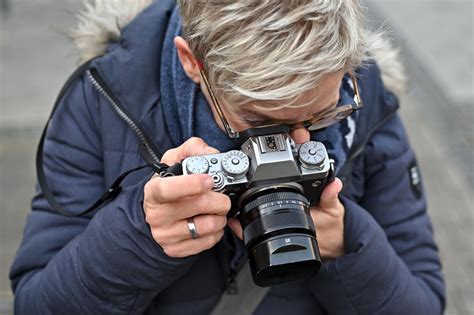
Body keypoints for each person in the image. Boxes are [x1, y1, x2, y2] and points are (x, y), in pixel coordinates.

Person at [10, 0, 445, 314]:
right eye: (260, 120)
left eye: (320, 115)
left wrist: (348, 245)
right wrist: (140, 237)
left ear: (348, 66)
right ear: (192, 61)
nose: (295, 140)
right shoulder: (107, 98)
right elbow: (35, 303)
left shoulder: (366, 99)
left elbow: (425, 301)